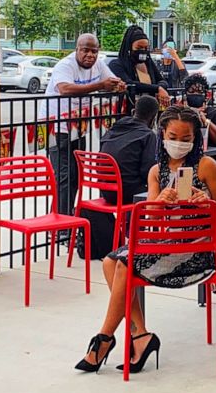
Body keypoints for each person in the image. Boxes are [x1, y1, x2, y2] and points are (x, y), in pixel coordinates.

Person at [75, 105, 216, 374]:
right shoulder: (156, 171)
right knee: (110, 263)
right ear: (162, 134)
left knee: (122, 264)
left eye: (186, 139)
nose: (179, 143)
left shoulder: (206, 166)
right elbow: (152, 221)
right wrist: (159, 203)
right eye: (173, 136)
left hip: (199, 249)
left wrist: (207, 204)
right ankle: (140, 335)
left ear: (195, 139)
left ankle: (105, 338)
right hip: (165, 244)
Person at [41, 33, 126, 219]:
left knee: (76, 173)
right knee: (64, 174)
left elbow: (111, 82)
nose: (89, 55)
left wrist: (118, 85)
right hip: (56, 125)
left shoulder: (98, 64)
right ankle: (61, 221)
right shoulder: (66, 65)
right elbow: (65, 89)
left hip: (78, 126)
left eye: (94, 51)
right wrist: (100, 85)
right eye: (85, 50)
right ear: (77, 49)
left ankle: (64, 215)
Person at [78, 95, 160, 259]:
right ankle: (148, 241)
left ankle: (132, 234)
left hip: (106, 190)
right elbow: (148, 172)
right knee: (154, 189)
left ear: (133, 111)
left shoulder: (113, 129)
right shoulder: (147, 135)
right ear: (154, 117)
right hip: (126, 194)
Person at [109, 25, 171, 108]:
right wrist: (157, 89)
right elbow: (129, 83)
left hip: (150, 112)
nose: (143, 51)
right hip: (128, 113)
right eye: (139, 47)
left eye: (146, 48)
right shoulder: (116, 64)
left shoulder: (148, 63)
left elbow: (162, 80)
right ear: (129, 47)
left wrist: (161, 87)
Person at [179, 73, 216, 149]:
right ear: (186, 95)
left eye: (199, 92)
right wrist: (189, 113)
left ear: (206, 95)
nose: (195, 94)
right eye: (191, 92)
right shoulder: (179, 113)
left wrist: (205, 120)